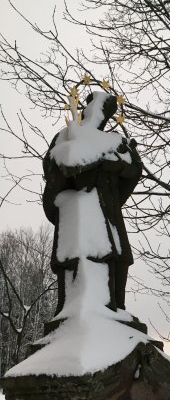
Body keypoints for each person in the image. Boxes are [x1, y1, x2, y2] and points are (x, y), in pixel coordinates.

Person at [42, 92, 142, 327]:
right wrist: (99, 160)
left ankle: (117, 307)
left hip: (109, 210)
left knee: (119, 259)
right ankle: (72, 309)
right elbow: (57, 165)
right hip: (79, 210)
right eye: (96, 108)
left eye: (105, 112)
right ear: (86, 109)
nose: (99, 114)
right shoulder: (66, 136)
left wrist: (118, 165)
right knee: (77, 259)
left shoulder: (114, 141)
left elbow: (134, 170)